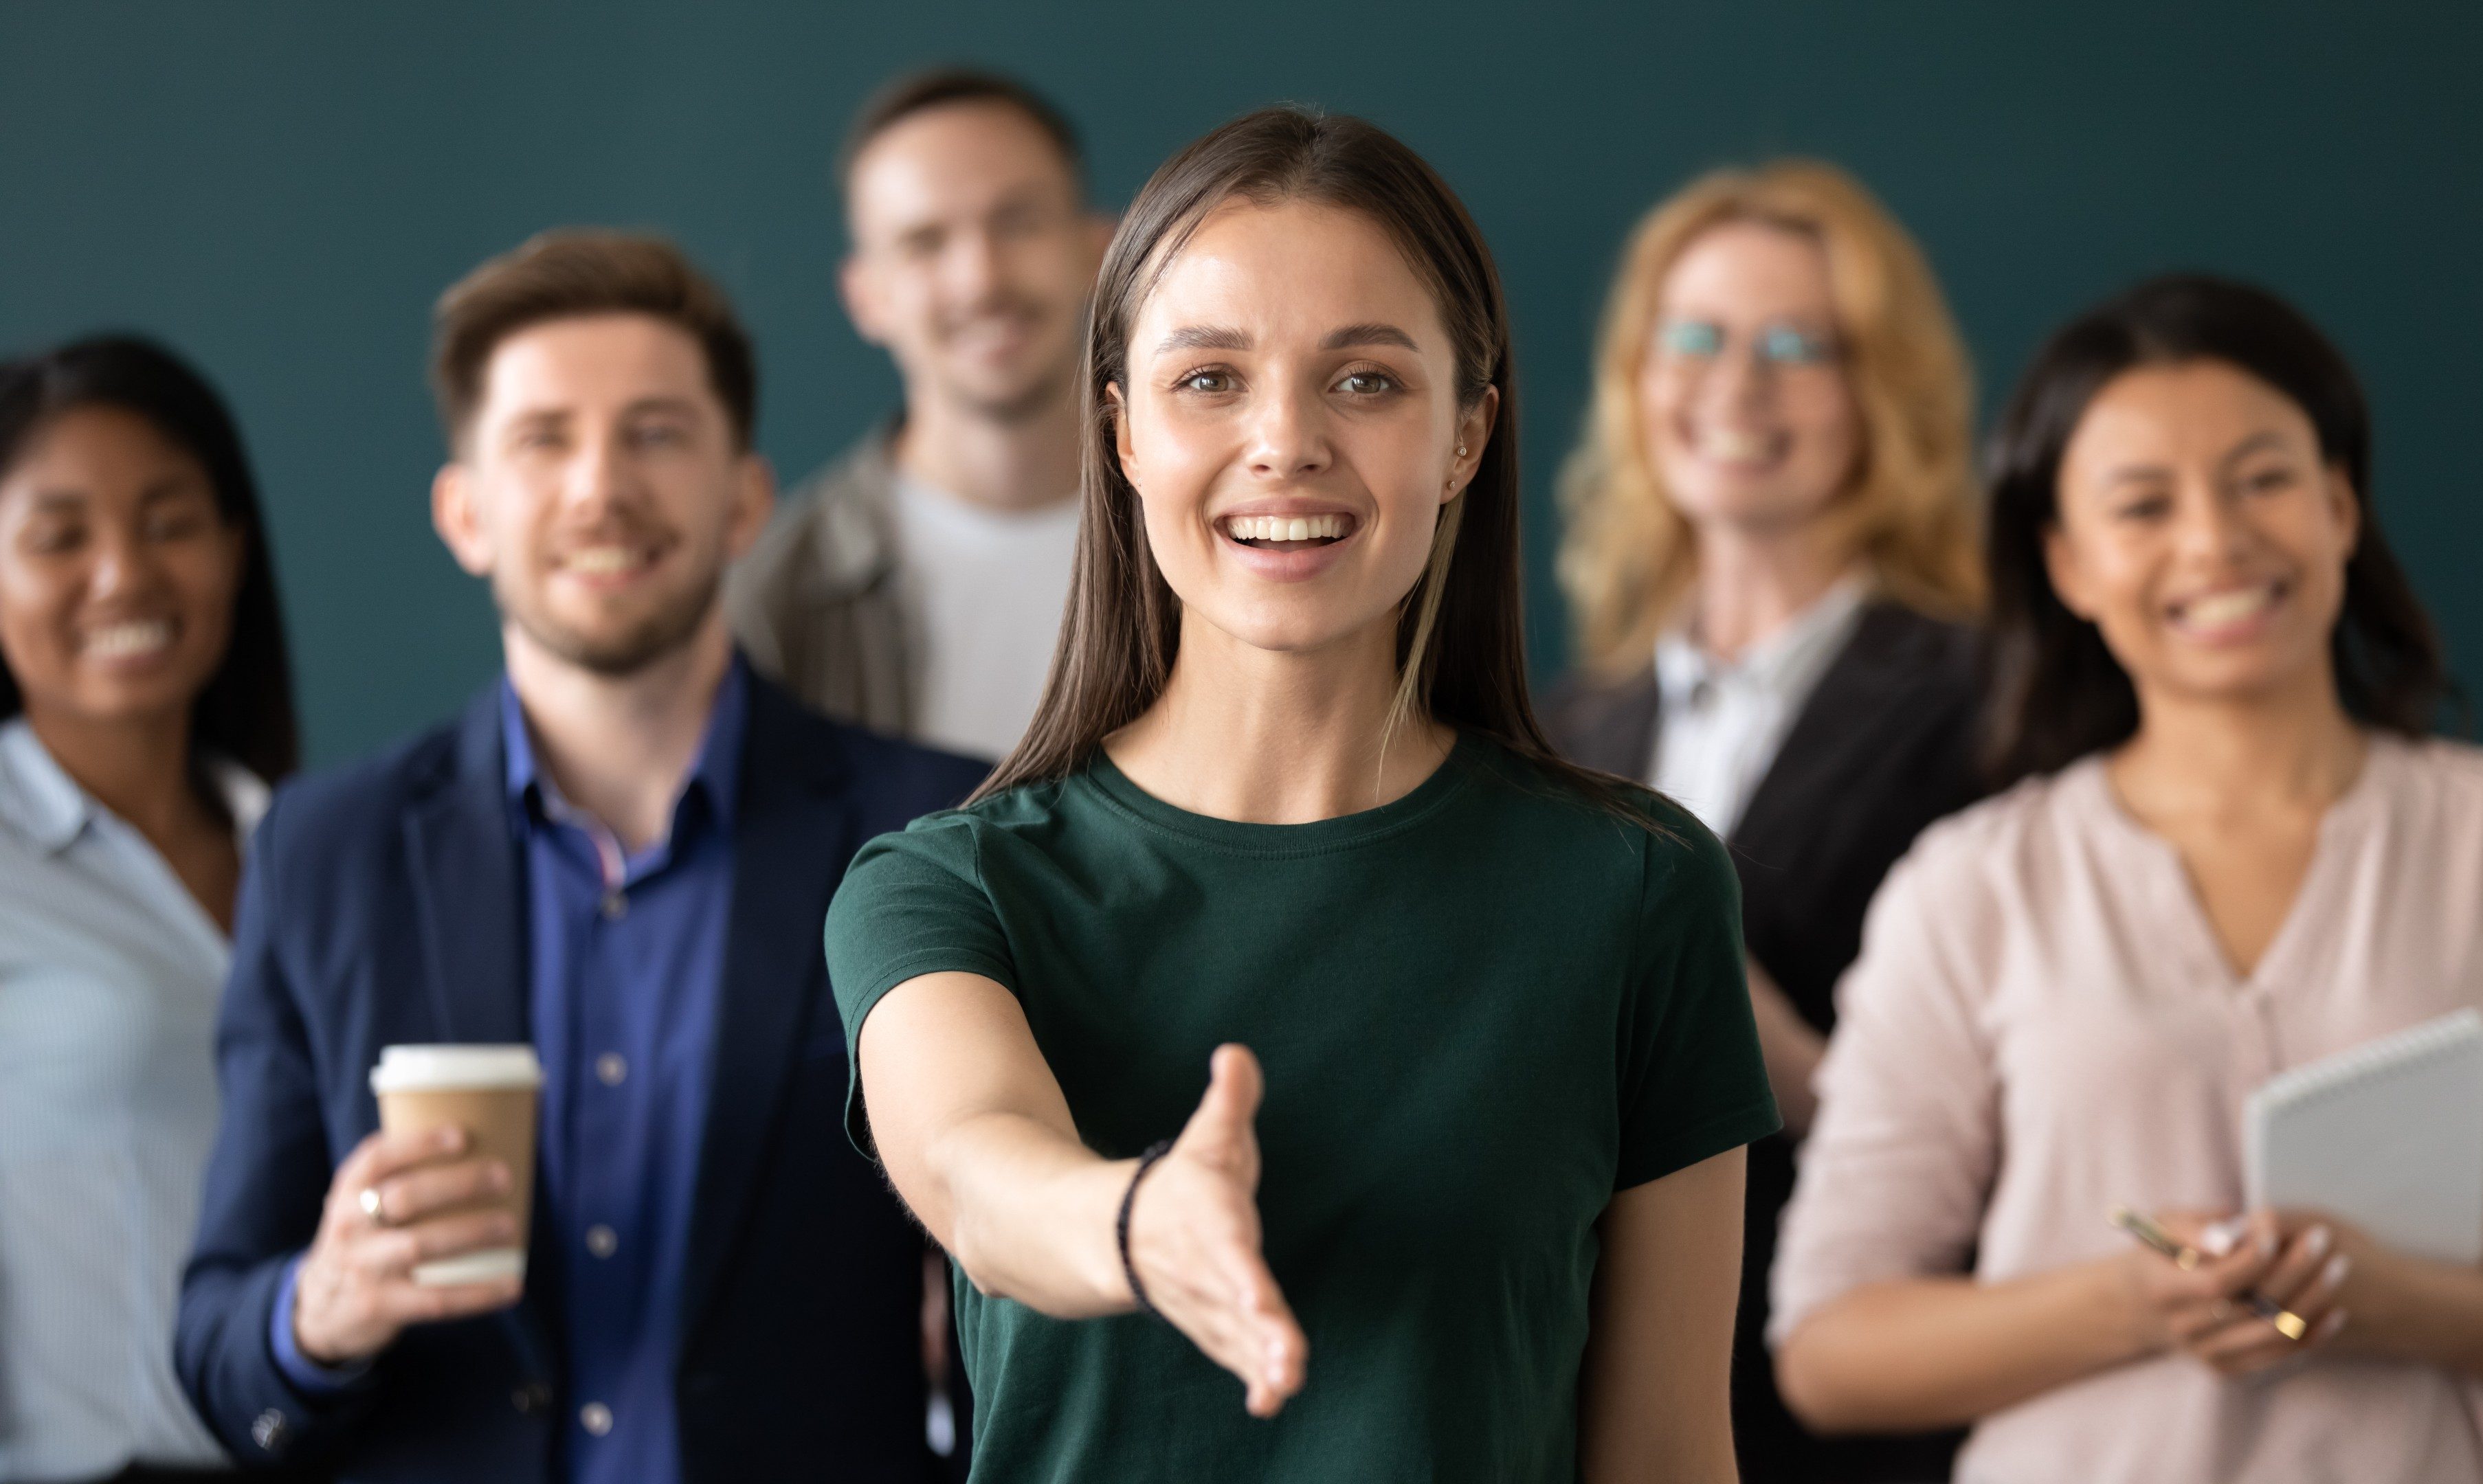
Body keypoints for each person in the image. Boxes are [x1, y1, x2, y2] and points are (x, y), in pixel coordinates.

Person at [826, 107, 1776, 1482]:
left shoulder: (1636, 888)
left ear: (1466, 436)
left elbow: (1673, 1455)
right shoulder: (944, 886)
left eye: (1368, 382)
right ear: (1126, 433)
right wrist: (1137, 1225)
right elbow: (976, 1171)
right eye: (1209, 379)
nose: (1284, 442)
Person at [1770, 275, 2483, 1483]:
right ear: (2068, 563)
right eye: (2142, 504)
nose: (2216, 541)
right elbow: (1829, 1347)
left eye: (2265, 479)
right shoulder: (1971, 887)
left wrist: (2398, 1301)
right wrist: (2131, 1304)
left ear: (2340, 506)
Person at [172, 232, 988, 1483]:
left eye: (657, 432)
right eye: (544, 439)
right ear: (466, 513)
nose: (600, 488)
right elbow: (220, 1340)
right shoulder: (322, 856)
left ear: (746, 500)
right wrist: (320, 1309)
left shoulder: (935, 831)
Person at [1544, 160, 1984, 1481]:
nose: (1736, 388)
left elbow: (2044, 1130)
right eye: (1697, 339)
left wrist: (1747, 1023)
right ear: (1637, 373)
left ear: (1880, 392)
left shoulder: (1997, 703)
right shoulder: (1566, 729)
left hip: (1850, 1414)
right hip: (1580, 1402)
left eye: (1800, 347)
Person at [0, 335, 296, 1484]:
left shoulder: (320, 851)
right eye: (58, 537)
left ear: (234, 548)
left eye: (170, 522)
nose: (123, 574)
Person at [726, 67, 1113, 761]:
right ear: (866, 297)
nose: (981, 280)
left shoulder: (1216, 534)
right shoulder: (774, 599)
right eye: (925, 243)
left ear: (1098, 251)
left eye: (1019, 222)